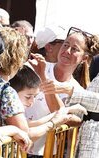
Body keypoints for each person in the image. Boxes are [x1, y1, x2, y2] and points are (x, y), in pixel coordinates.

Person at [25, 27, 99, 157]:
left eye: (75, 49)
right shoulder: (35, 66)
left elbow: (67, 117)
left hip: (45, 153)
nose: (67, 51)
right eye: (65, 45)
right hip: (16, 147)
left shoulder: (77, 91)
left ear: (84, 58)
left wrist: (43, 77)